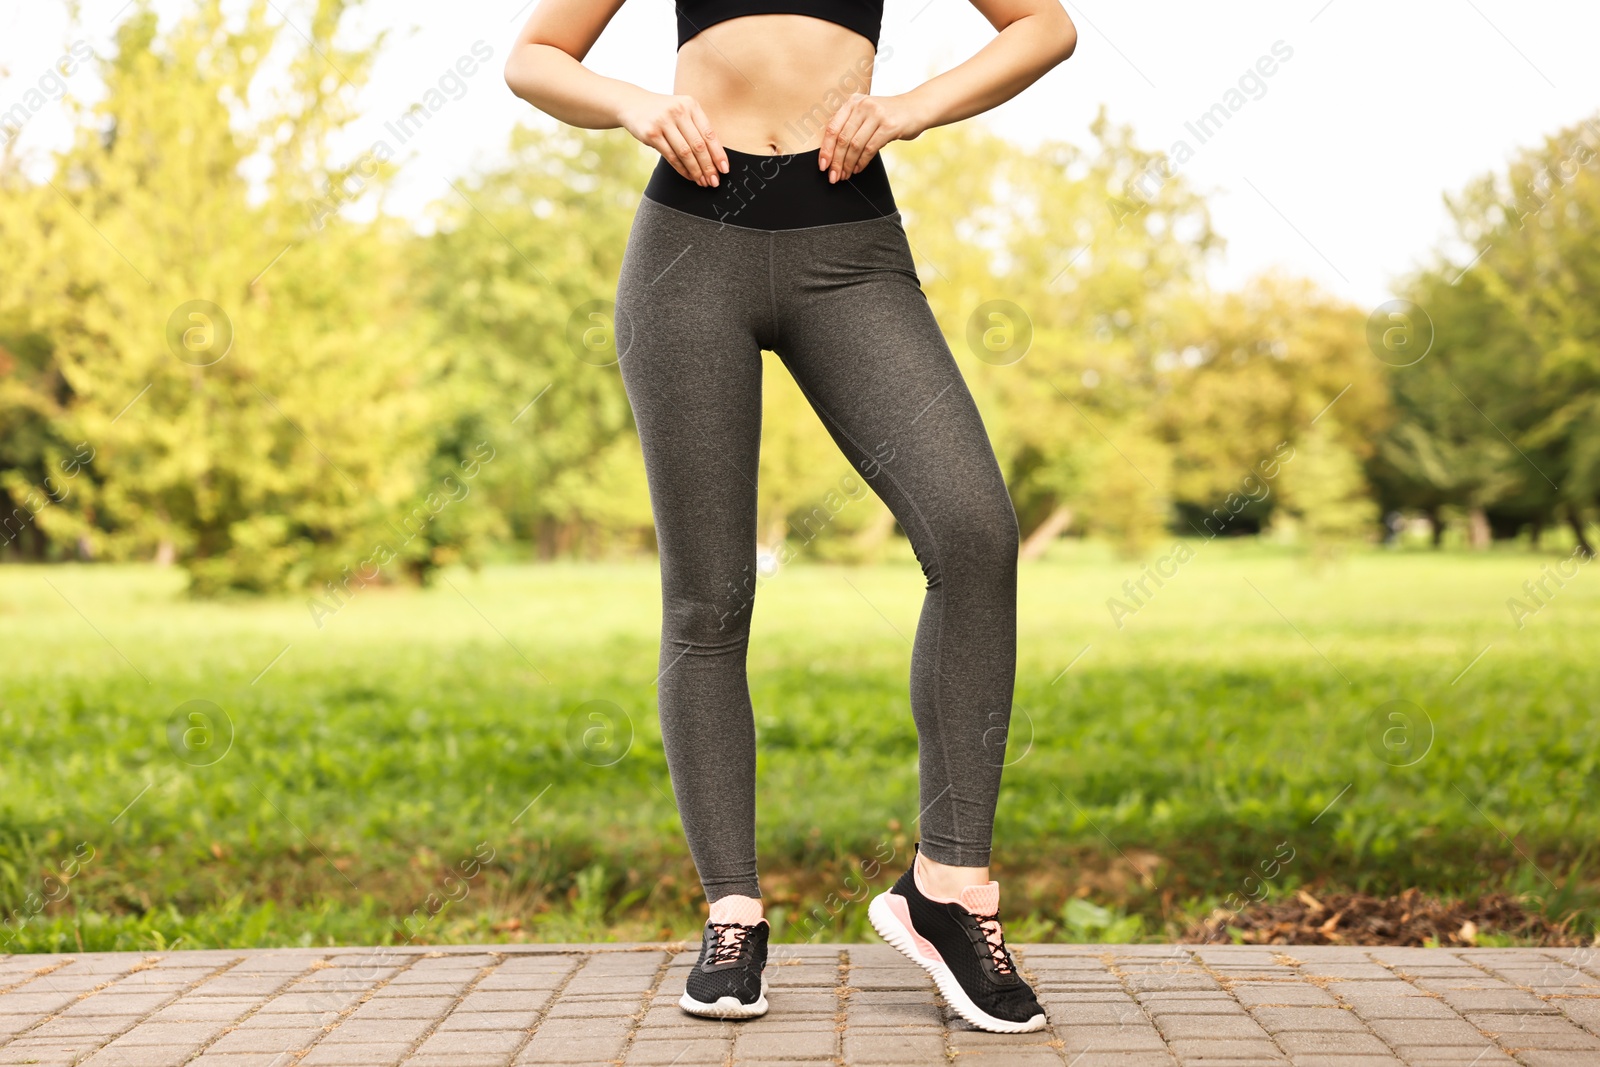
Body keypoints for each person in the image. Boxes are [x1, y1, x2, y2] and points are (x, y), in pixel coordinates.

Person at [505, 0, 1077, 1034]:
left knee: (974, 531)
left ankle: (948, 889)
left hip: (847, 244)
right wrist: (634, 106)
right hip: (689, 250)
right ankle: (733, 914)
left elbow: (1045, 27)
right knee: (710, 596)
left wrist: (907, 110)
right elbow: (534, 60)